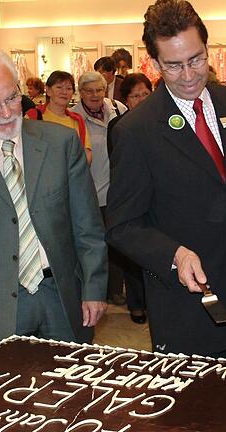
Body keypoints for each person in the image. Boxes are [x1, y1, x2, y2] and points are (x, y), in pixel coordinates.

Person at [107, 0, 226, 359]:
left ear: (208, 50)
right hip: (184, 304)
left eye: (196, 60)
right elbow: (121, 225)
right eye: (174, 65)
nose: (189, 75)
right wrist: (175, 255)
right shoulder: (137, 130)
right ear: (153, 63)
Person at [0, 48, 108, 344]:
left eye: (12, 97)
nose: (8, 112)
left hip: (63, 297)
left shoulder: (60, 144)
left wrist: (94, 289)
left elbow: (88, 226)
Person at [72, 71, 128, 306]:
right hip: (89, 190)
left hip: (116, 189)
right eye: (89, 90)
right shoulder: (73, 116)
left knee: (115, 242)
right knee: (93, 244)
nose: (95, 95)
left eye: (99, 90)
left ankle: (115, 289)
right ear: (81, 92)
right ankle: (95, 291)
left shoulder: (118, 108)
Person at [105, 72, 153, 324]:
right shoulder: (118, 126)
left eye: (146, 94)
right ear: (126, 100)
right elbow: (118, 164)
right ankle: (136, 303)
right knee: (134, 253)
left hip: (157, 197)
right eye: (135, 96)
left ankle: (154, 302)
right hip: (132, 196)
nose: (142, 99)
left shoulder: (161, 121)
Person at [25, 71, 92, 164]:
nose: (64, 92)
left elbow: (86, 153)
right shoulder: (33, 117)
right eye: (59, 87)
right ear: (48, 90)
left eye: (69, 88)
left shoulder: (77, 120)